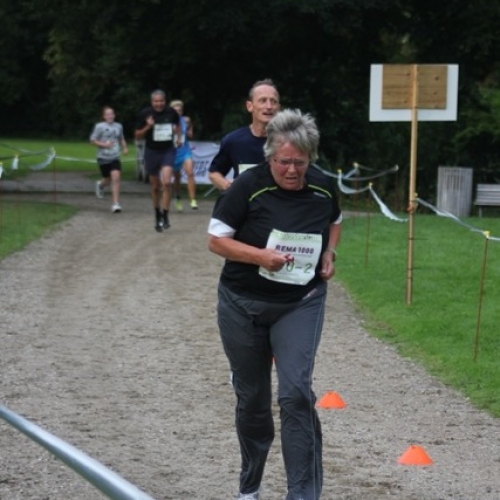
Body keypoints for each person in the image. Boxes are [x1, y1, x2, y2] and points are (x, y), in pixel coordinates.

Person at [207, 109, 342, 500]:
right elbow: (216, 240)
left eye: (301, 162)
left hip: (300, 301)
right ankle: (250, 485)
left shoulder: (322, 186)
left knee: (295, 393)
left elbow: (335, 219)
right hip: (242, 302)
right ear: (270, 156)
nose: (293, 170)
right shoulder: (247, 186)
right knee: (253, 400)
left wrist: (330, 251)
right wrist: (260, 257)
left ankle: (302, 494)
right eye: (284, 162)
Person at [208, 78, 280, 191]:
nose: (269, 106)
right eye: (263, 100)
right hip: (245, 202)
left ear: (278, 108)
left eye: (273, 101)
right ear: (249, 106)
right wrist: (228, 187)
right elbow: (214, 173)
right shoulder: (234, 141)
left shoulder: (289, 141)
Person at [134, 89, 181, 232]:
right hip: (152, 152)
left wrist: (178, 137)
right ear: (152, 102)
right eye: (156, 101)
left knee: (166, 182)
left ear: (165, 101)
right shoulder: (145, 114)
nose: (159, 104)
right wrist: (148, 126)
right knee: (155, 186)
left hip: (168, 150)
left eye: (161, 101)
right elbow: (137, 135)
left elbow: (178, 125)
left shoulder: (171, 112)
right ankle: (157, 213)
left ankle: (165, 214)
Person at [90, 106, 128, 213]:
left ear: (114, 115)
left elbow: (121, 138)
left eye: (112, 114)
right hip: (103, 157)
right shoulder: (99, 126)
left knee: (116, 177)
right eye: (108, 114)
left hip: (115, 156)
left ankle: (116, 204)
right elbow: (92, 140)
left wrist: (125, 148)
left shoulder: (118, 126)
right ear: (104, 116)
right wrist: (104, 145)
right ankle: (100, 185)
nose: (110, 116)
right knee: (107, 180)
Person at [170, 99, 198, 210]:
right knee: (177, 177)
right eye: (175, 110)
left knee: (190, 173)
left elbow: (190, 130)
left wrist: (190, 131)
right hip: (173, 152)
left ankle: (193, 200)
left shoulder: (186, 120)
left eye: (180, 110)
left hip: (185, 150)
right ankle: (178, 197)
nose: (178, 112)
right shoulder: (168, 121)